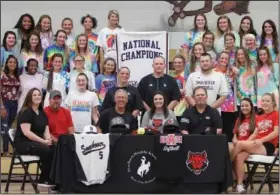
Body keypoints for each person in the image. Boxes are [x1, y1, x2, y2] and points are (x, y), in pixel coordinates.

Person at [231, 93, 279, 193]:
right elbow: (255, 133)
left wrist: (260, 140)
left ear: (273, 103)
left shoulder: (276, 114)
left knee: (239, 144)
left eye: (267, 101)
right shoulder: (260, 117)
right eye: (263, 101)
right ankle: (240, 185)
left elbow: (276, 132)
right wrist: (247, 143)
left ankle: (225, 166)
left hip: (268, 145)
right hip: (256, 143)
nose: (265, 103)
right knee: (239, 156)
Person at [14, 88, 54, 187]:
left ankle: (54, 177)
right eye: (34, 95)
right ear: (30, 98)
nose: (37, 97)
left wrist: (48, 140)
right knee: (46, 150)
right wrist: (43, 142)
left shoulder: (42, 112)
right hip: (23, 143)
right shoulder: (26, 112)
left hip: (37, 142)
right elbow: (27, 132)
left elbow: (46, 130)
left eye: (39, 95)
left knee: (55, 147)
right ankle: (43, 179)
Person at [214, 51, 237, 141]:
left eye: (226, 59)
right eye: (222, 58)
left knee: (228, 127)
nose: (224, 60)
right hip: (217, 102)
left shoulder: (232, 71)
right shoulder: (213, 71)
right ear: (218, 59)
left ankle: (228, 147)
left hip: (229, 103)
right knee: (218, 126)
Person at [0, 55, 20, 157]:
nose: (12, 64)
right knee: (5, 126)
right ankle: (5, 151)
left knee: (7, 126)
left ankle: (6, 150)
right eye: (10, 62)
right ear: (7, 64)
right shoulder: (2, 76)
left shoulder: (17, 76)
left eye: (14, 62)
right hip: (5, 103)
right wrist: (2, 107)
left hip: (14, 104)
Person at [169, 55, 187, 121]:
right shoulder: (171, 76)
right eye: (175, 63)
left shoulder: (187, 75)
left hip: (183, 107)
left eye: (179, 62)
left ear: (184, 63)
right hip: (172, 107)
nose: (177, 64)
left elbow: (186, 91)